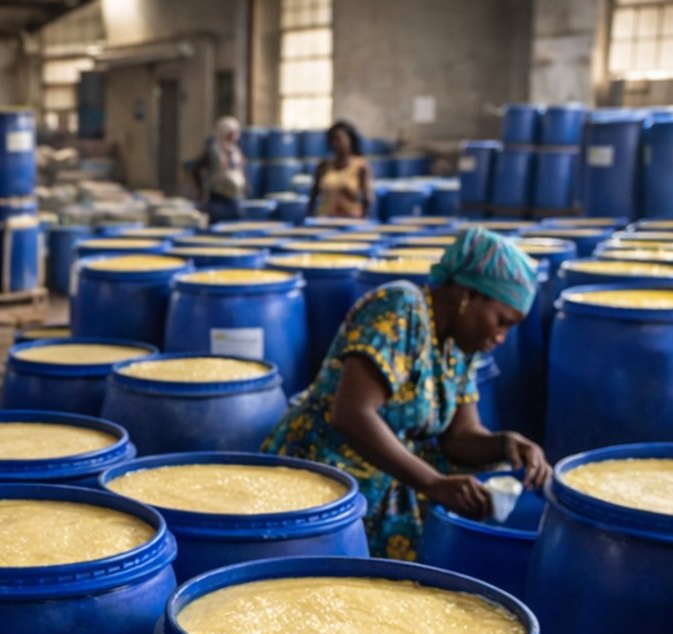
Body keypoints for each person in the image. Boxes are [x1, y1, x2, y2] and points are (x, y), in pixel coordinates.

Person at [262, 226, 550, 560]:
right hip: (328, 475)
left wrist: (506, 443)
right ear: (469, 295)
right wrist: (432, 483)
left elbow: (460, 436)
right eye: (501, 321)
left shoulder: (458, 349)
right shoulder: (401, 308)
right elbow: (352, 414)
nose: (501, 337)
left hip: (389, 477)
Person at [309, 121, 373, 219]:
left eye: (339, 139)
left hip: (350, 220)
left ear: (350, 140)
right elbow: (313, 193)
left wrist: (362, 218)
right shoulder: (323, 166)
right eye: (333, 140)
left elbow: (367, 198)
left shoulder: (360, 167)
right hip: (325, 219)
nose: (335, 144)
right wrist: (310, 215)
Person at [197, 116, 249, 224]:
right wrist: (201, 190)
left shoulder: (236, 150)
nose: (235, 136)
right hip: (218, 196)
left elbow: (240, 169)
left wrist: (245, 185)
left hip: (234, 197)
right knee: (218, 223)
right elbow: (197, 168)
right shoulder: (214, 150)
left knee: (235, 222)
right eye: (232, 132)